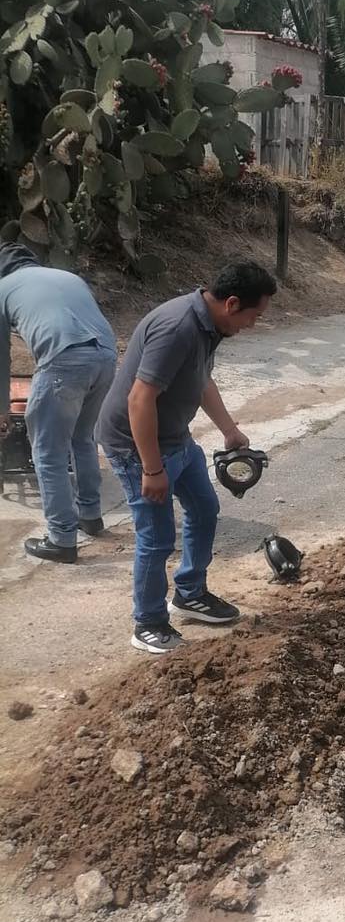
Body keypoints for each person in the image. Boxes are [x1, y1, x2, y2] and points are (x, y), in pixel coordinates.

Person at [96, 262, 277, 654]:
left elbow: (201, 379)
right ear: (232, 304)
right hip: (135, 445)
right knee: (157, 537)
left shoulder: (209, 326)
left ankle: (189, 593)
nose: (253, 324)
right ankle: (148, 623)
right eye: (254, 315)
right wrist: (152, 468)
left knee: (203, 507)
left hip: (176, 438)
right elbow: (139, 399)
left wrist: (228, 429)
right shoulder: (178, 327)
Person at [0, 241, 117, 563]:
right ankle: (90, 517)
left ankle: (62, 539)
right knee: (82, 438)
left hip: (65, 360)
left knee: (48, 453)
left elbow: (1, 358)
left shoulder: (3, 288)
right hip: (106, 357)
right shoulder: (66, 277)